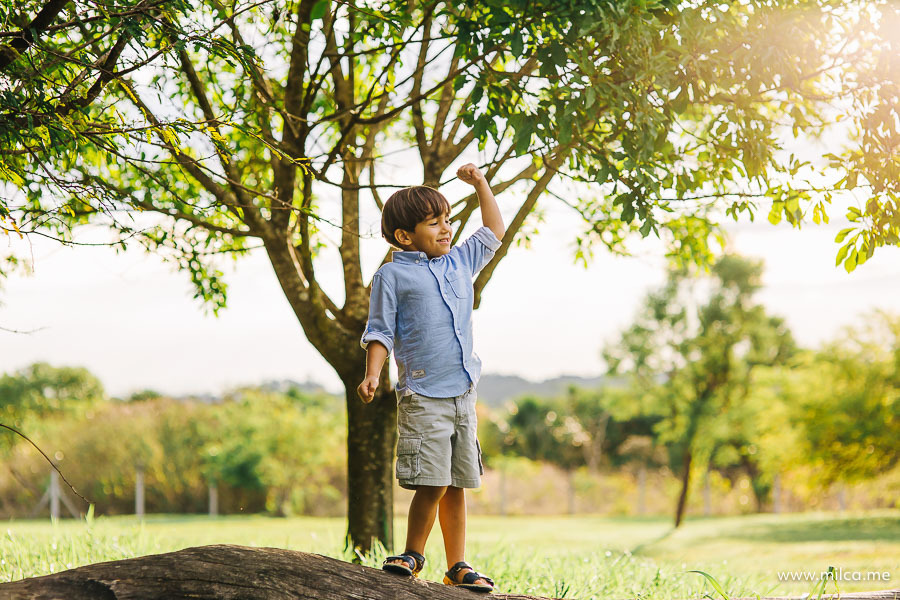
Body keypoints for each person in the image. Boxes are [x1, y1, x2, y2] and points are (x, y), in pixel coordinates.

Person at [357, 163, 504, 593]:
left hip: (462, 394)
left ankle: (457, 564)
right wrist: (373, 375)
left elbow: (493, 228)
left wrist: (480, 184)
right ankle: (413, 554)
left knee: (456, 482)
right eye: (434, 222)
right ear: (404, 236)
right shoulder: (392, 276)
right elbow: (380, 330)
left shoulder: (460, 261)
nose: (446, 228)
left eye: (447, 219)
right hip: (422, 394)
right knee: (432, 479)